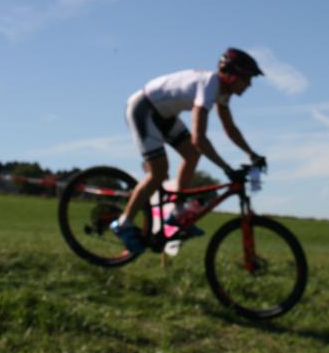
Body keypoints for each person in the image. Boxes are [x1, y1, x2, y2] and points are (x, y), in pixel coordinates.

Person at [112, 48, 266, 254]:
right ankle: (124, 223)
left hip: (164, 115)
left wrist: (251, 153)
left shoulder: (222, 92)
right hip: (143, 109)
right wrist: (226, 168)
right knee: (159, 172)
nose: (249, 85)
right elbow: (199, 138)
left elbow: (230, 128)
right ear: (231, 76)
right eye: (247, 79)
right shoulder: (210, 85)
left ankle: (176, 211)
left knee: (192, 154)